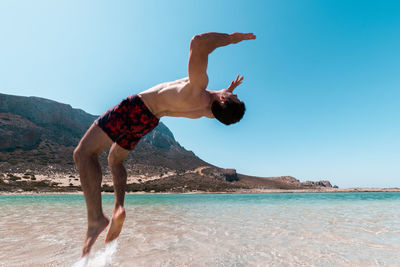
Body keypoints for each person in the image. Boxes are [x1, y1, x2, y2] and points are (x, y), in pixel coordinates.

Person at [73, 31, 256, 256]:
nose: (234, 94)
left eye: (234, 97)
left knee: (83, 154)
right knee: (115, 159)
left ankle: (95, 220)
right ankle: (119, 206)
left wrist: (232, 38)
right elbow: (223, 105)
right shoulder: (209, 112)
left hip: (137, 107)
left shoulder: (198, 86)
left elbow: (198, 42)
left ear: (222, 99)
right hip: (149, 121)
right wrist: (230, 88)